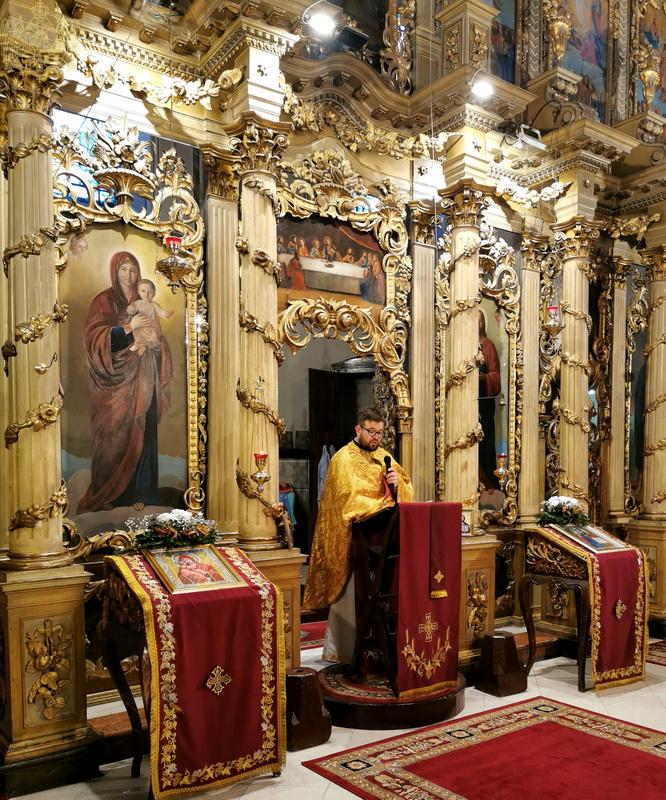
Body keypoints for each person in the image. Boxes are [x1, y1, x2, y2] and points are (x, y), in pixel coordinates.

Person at [303, 406, 413, 663]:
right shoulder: (343, 459)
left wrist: (398, 485)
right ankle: (348, 651)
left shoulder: (385, 456)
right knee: (355, 594)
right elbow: (349, 499)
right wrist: (383, 503)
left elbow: (406, 489)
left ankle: (384, 648)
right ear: (358, 429)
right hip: (355, 540)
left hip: (383, 537)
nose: (376, 437)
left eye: (379, 433)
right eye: (371, 431)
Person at [78, 251, 173, 513]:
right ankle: (108, 494)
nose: (129, 275)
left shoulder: (144, 300)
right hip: (114, 384)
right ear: (114, 271)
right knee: (113, 434)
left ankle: (143, 492)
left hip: (144, 380)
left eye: (133, 270)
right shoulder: (104, 301)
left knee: (145, 428)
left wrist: (156, 345)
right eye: (123, 269)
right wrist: (129, 327)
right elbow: (93, 339)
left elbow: (158, 338)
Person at [478, 309, 501, 492]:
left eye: (479, 320)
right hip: (468, 404)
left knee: (485, 447)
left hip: (484, 403)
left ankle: (490, 486)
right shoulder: (465, 345)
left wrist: (482, 378)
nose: (476, 324)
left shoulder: (488, 345)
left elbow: (495, 376)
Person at [126, 279, 173, 356]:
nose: (146, 294)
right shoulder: (138, 303)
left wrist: (166, 314)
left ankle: (142, 346)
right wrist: (131, 308)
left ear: (154, 294)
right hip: (141, 324)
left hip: (152, 325)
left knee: (150, 334)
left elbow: (161, 312)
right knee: (137, 332)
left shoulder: (154, 305)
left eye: (150, 292)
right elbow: (131, 311)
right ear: (138, 292)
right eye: (143, 291)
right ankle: (140, 346)